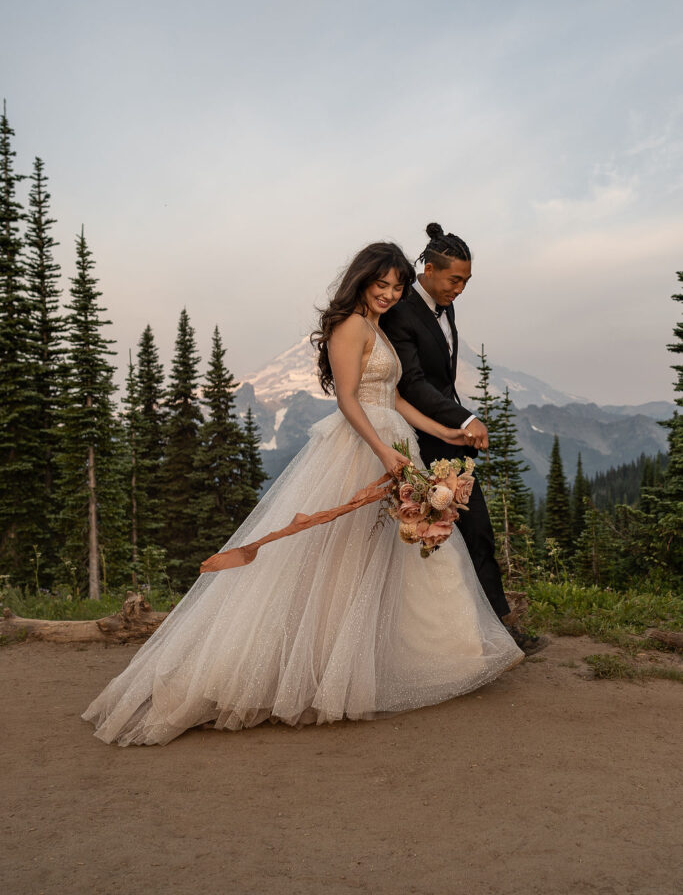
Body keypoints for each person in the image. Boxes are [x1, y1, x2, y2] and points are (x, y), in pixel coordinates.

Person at [82, 242, 523, 746]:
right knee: (338, 559)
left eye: (397, 287)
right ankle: (314, 670)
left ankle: (398, 660)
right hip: (362, 448)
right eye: (381, 285)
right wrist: (381, 450)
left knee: (389, 559)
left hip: (394, 442)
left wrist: (445, 435)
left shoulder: (376, 328)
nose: (389, 294)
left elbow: (396, 397)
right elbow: (347, 398)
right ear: (361, 281)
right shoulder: (350, 326)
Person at [380, 223, 533, 646]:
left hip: (448, 436)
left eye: (466, 281)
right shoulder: (400, 312)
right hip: (418, 439)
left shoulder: (444, 305)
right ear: (428, 269)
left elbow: (441, 378)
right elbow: (411, 383)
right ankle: (479, 634)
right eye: (455, 279)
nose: (460, 289)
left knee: (475, 530)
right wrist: (464, 420)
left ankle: (496, 628)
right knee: (441, 534)